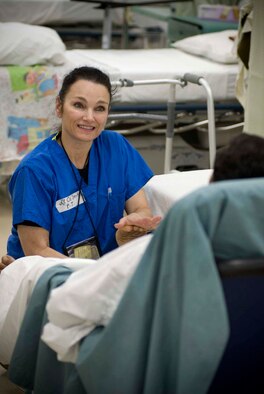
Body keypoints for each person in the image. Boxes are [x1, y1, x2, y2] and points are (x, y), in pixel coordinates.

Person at [0, 66, 161, 270]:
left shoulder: (116, 147)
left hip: (104, 270)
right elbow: (37, 251)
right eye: (79, 105)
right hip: (49, 276)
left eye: (100, 108)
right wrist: (93, 273)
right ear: (59, 107)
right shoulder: (34, 170)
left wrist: (134, 224)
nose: (89, 117)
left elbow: (140, 207)